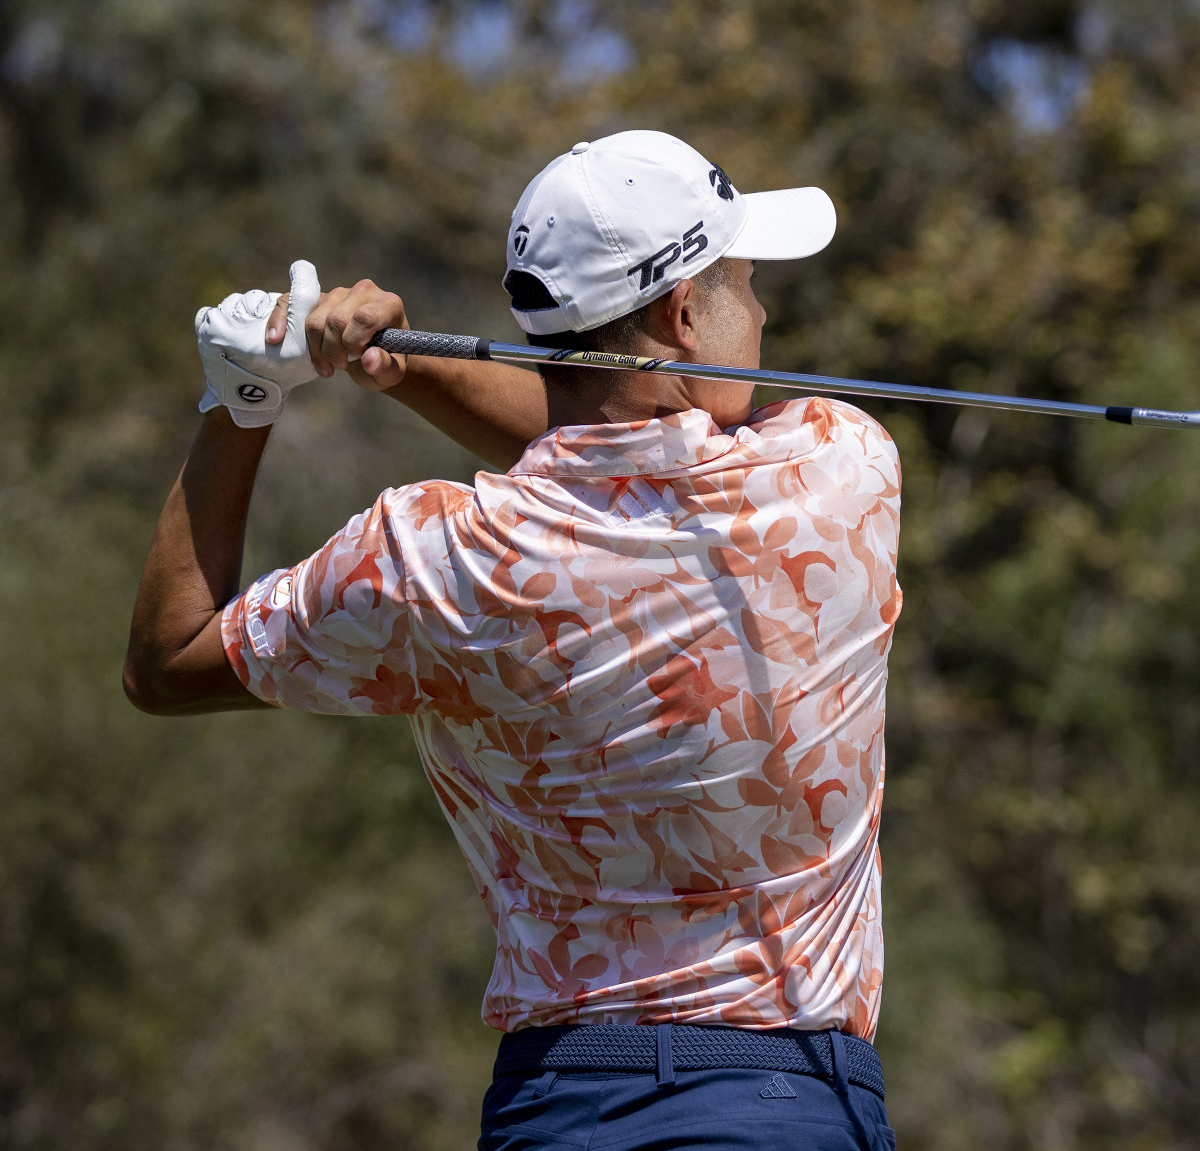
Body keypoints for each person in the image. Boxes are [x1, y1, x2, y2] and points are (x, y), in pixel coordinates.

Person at [125, 130, 903, 1149]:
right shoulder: (839, 474)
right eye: (745, 287)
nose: (759, 315)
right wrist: (405, 376)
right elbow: (621, 461)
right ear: (682, 316)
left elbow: (169, 659)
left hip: (559, 1108)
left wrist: (244, 397)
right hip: (787, 1101)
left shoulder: (433, 556)